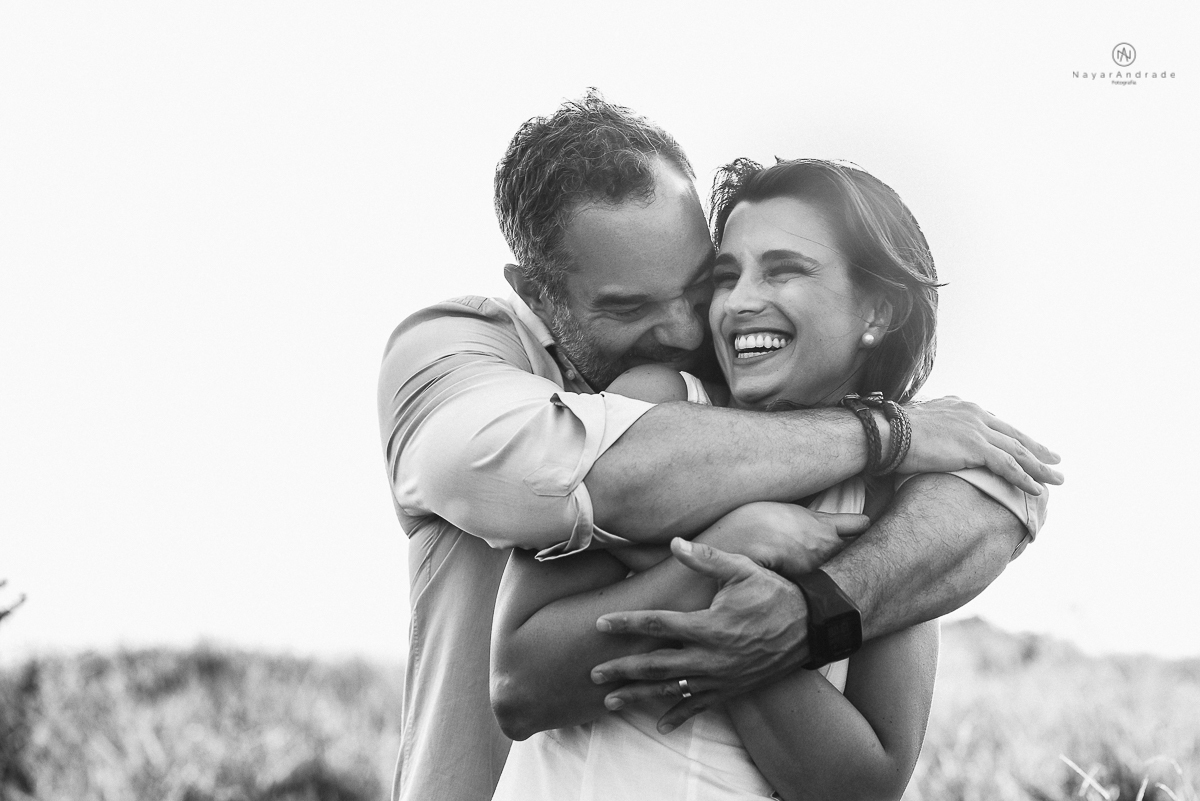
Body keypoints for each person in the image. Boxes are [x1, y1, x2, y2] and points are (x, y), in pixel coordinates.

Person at [377, 91, 1061, 801]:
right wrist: (731, 555)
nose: (707, 317)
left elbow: (863, 781)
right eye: (726, 276)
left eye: (706, 282)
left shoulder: (900, 489)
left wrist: (778, 623)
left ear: (880, 309)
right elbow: (524, 677)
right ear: (537, 290)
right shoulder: (590, 387)